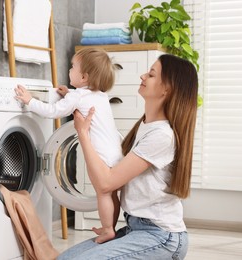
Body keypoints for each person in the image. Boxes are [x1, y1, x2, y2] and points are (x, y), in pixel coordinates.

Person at [58, 54, 198, 259]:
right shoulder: (146, 126)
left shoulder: (162, 136)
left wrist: (83, 135)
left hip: (162, 236)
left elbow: (106, 183)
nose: (142, 76)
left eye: (151, 74)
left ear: (166, 89)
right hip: (135, 227)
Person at [14, 47, 123, 243]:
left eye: (73, 67)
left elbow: (53, 111)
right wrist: (69, 94)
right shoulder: (100, 95)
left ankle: (108, 230)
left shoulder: (78, 96)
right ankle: (110, 227)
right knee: (110, 192)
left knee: (102, 192)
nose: (69, 70)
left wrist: (30, 101)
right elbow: (80, 99)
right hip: (115, 152)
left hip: (100, 156)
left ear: (84, 77)